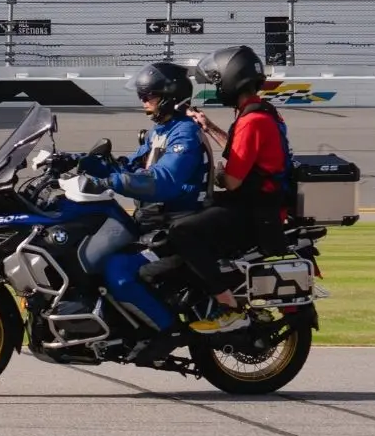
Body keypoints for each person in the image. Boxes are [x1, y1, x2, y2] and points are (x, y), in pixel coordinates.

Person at [152, 45, 293, 328]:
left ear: (233, 79)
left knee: (183, 230)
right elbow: (242, 153)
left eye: (218, 82)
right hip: (259, 204)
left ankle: (228, 306)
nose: (217, 88)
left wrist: (216, 175)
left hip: (255, 211)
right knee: (187, 215)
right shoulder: (262, 112)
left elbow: (232, 180)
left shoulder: (252, 121)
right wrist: (207, 126)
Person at [69, 61, 210, 335]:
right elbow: (129, 167)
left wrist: (108, 182)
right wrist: (77, 161)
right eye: (141, 96)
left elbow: (164, 181)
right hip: (151, 222)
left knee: (118, 271)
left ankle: (166, 333)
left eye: (148, 96)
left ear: (169, 97)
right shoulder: (160, 132)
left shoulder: (186, 133)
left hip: (175, 225)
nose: (143, 102)